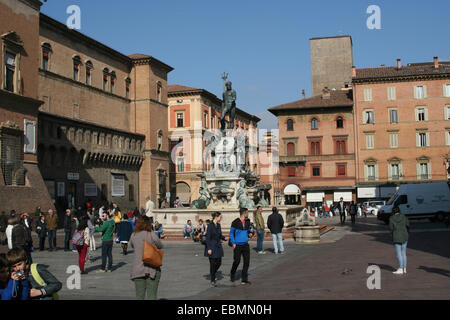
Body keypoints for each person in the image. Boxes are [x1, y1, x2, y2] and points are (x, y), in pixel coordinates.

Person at [129, 216, 163, 300]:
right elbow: (160, 245)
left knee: (139, 296)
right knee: (152, 296)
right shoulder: (151, 234)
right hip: (152, 269)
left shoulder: (134, 235)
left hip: (138, 269)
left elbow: (132, 245)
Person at [229, 207, 254, 285]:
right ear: (244, 213)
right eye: (247, 212)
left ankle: (244, 279)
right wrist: (233, 243)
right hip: (237, 245)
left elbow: (251, 230)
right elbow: (231, 233)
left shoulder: (248, 221)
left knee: (247, 262)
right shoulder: (235, 222)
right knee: (237, 261)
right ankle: (232, 273)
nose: (248, 214)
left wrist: (251, 234)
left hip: (245, 244)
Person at [205, 212, 226, 287]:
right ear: (216, 217)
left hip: (218, 246)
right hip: (212, 246)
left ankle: (212, 273)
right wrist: (209, 248)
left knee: (219, 262)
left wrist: (224, 238)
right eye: (220, 217)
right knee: (213, 263)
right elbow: (208, 238)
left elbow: (219, 235)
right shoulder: (210, 226)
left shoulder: (219, 225)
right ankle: (213, 279)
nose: (221, 218)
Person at [389, 207, 410, 275]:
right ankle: (404, 268)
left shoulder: (391, 218)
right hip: (404, 235)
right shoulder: (404, 216)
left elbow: (391, 228)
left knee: (399, 254)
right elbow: (408, 225)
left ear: (393, 211)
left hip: (396, 236)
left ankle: (400, 268)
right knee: (404, 253)